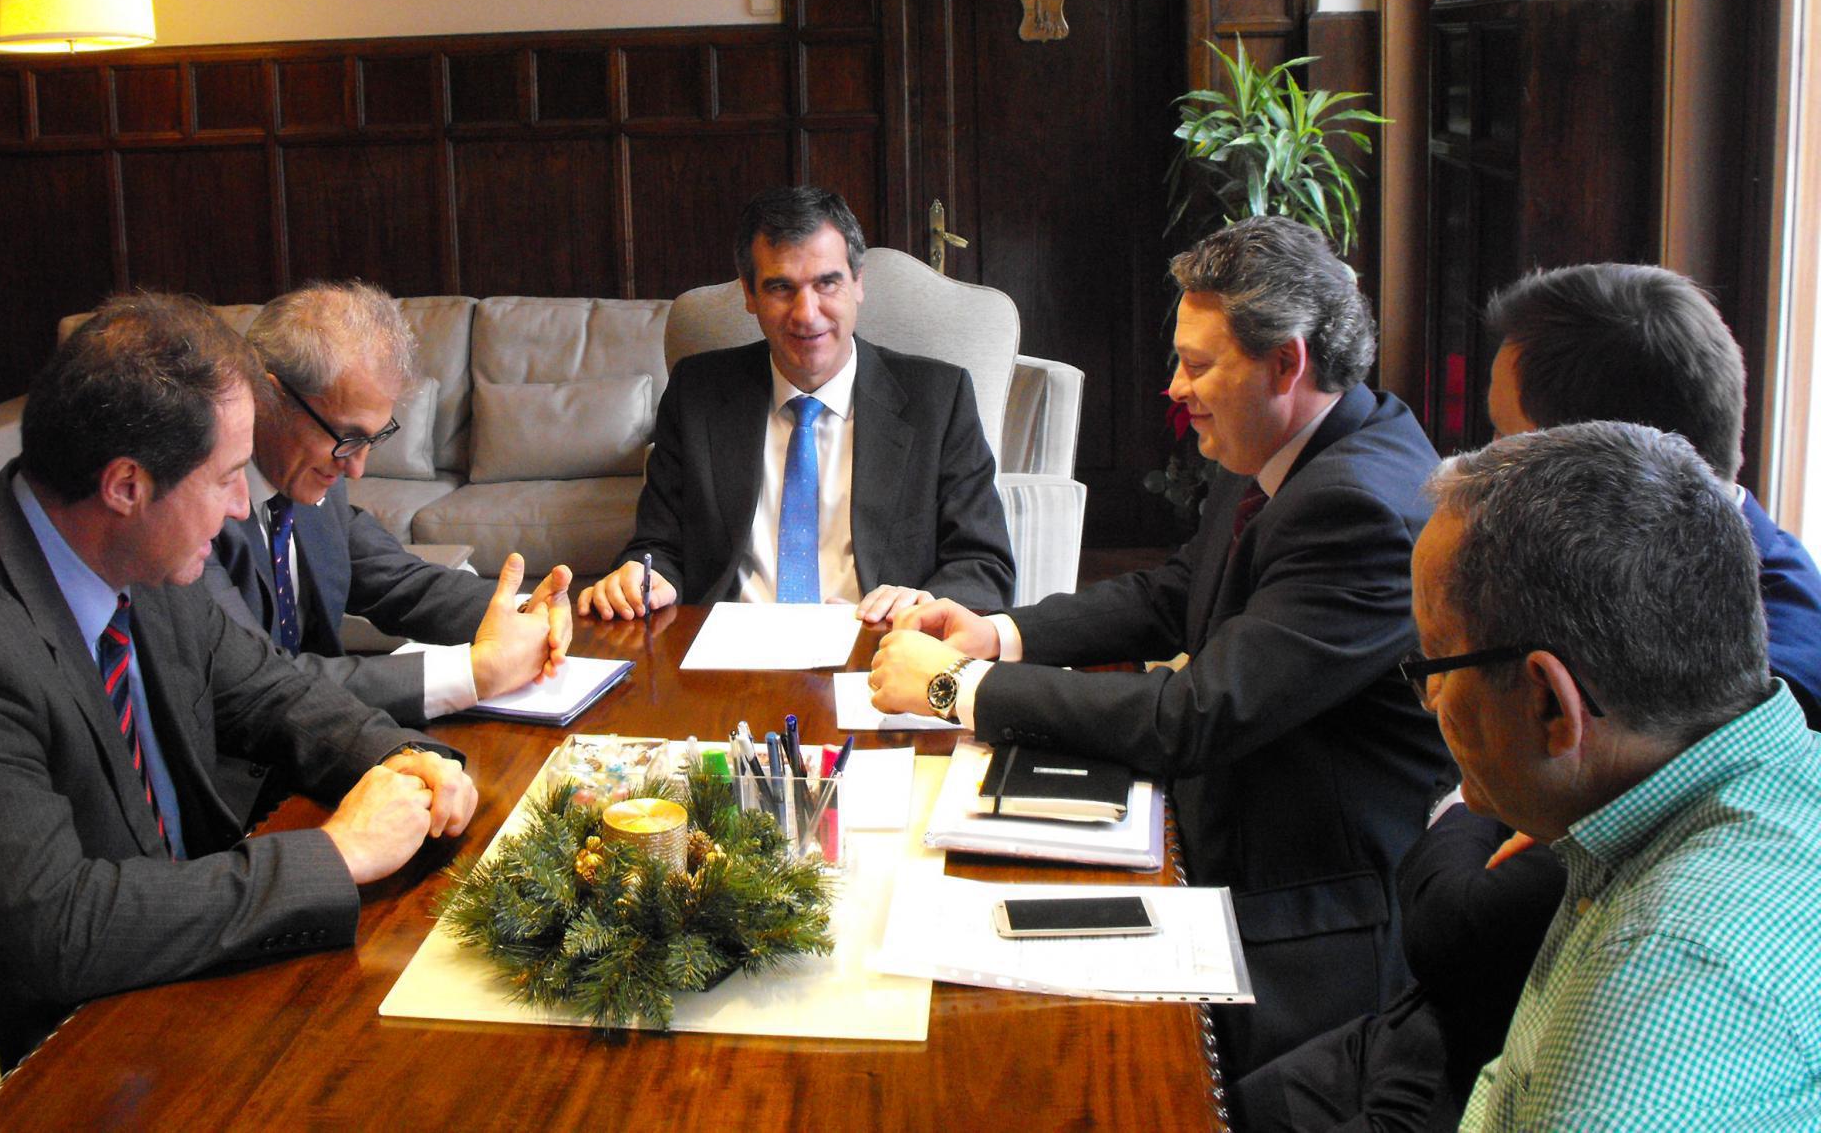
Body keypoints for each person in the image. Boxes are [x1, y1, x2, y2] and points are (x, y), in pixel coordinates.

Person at [1238, 259, 1821, 1132]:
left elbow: (1462, 921)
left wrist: (1461, 812)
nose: (1428, 707)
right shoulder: (1704, 734)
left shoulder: (1660, 984)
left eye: (1436, 666)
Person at [0, 294, 477, 1066]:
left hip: (170, 978)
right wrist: (336, 854)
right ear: (127, 486)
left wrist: (401, 758)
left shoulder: (137, 554)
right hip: (51, 1058)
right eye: (226, 478)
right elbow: (59, 930)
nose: (241, 506)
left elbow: (271, 692)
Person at [869, 214, 1447, 1075]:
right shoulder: (1292, 441)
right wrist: (999, 632)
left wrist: (958, 686)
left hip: (1300, 915)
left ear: (1286, 363)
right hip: (1216, 830)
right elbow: (1176, 593)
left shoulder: (1356, 506)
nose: (1175, 388)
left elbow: (1194, 715)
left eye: (1198, 365)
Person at [1412, 424, 1821, 1127]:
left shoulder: (1659, 968)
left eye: (1436, 663)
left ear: (1551, 703)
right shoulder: (1767, 774)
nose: (1429, 700)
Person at [205, 281, 570, 818]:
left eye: (372, 440)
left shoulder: (310, 476)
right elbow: (261, 687)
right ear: (268, 395)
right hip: (238, 799)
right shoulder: (196, 513)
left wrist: (520, 611)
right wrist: (474, 672)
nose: (357, 468)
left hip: (335, 754)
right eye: (347, 437)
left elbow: (398, 580)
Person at [578, 185, 1016, 623]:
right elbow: (658, 546)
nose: (806, 313)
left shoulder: (938, 399)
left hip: (880, 644)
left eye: (827, 283)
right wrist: (644, 578)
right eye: (781, 287)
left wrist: (924, 605)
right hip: (727, 647)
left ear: (858, 283)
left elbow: (983, 566)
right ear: (750, 294)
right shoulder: (698, 393)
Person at [1486, 262, 1821, 721]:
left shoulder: (1755, 695)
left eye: (1504, 438)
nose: (1488, 462)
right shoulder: (1624, 572)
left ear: (1602, 466)